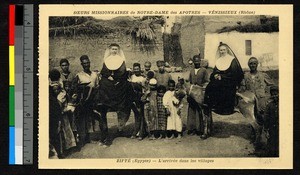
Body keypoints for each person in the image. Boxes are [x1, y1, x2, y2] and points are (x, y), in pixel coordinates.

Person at [96, 43, 134, 145]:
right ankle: (103, 102)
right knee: (103, 83)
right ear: (110, 50)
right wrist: (108, 76)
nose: (114, 51)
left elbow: (122, 71)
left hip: (119, 80)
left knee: (125, 85)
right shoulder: (107, 59)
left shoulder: (121, 60)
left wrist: (117, 77)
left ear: (118, 50)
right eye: (112, 49)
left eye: (116, 49)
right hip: (108, 80)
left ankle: (120, 104)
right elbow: (104, 71)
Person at [204, 42, 244, 115]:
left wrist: (222, 77)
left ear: (227, 50)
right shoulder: (219, 60)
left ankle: (226, 109)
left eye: (224, 50)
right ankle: (211, 105)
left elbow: (234, 73)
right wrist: (215, 75)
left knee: (224, 88)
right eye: (221, 50)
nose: (222, 52)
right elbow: (215, 71)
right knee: (210, 86)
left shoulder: (232, 60)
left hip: (229, 80)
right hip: (219, 80)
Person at [72, 55, 99, 148]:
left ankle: (90, 137)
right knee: (82, 119)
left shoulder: (95, 75)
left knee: (91, 118)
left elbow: (97, 86)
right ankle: (83, 139)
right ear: (82, 64)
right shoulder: (79, 75)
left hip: (93, 101)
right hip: (83, 101)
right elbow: (74, 88)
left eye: (88, 63)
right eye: (84, 63)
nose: (87, 65)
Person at [187, 55, 209, 135]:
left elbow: (207, 81)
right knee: (192, 109)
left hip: (200, 93)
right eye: (195, 61)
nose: (196, 63)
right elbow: (190, 81)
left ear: (200, 61)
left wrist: (202, 88)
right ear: (193, 62)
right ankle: (192, 128)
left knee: (200, 110)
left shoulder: (204, 70)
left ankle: (200, 129)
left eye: (198, 61)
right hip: (193, 93)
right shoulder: (192, 71)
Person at [130, 63, 147, 140]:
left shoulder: (143, 78)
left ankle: (141, 133)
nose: (136, 70)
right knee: (136, 115)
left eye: (138, 69)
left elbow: (145, 89)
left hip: (140, 98)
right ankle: (136, 131)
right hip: (133, 98)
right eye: (135, 69)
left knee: (141, 115)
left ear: (140, 69)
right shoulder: (131, 77)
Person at [263, 85, 279, 157]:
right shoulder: (269, 105)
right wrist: (266, 129)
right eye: (273, 95)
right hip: (272, 128)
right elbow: (266, 117)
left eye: (276, 94)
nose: (275, 96)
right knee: (272, 143)